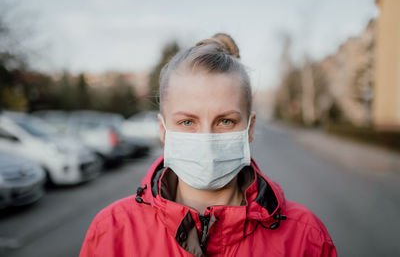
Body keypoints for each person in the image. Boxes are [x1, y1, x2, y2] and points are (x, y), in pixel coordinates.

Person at [79, 33, 337, 257]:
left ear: (250, 128)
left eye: (225, 121)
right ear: (163, 131)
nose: (206, 140)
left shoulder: (304, 237)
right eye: (187, 122)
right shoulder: (113, 231)